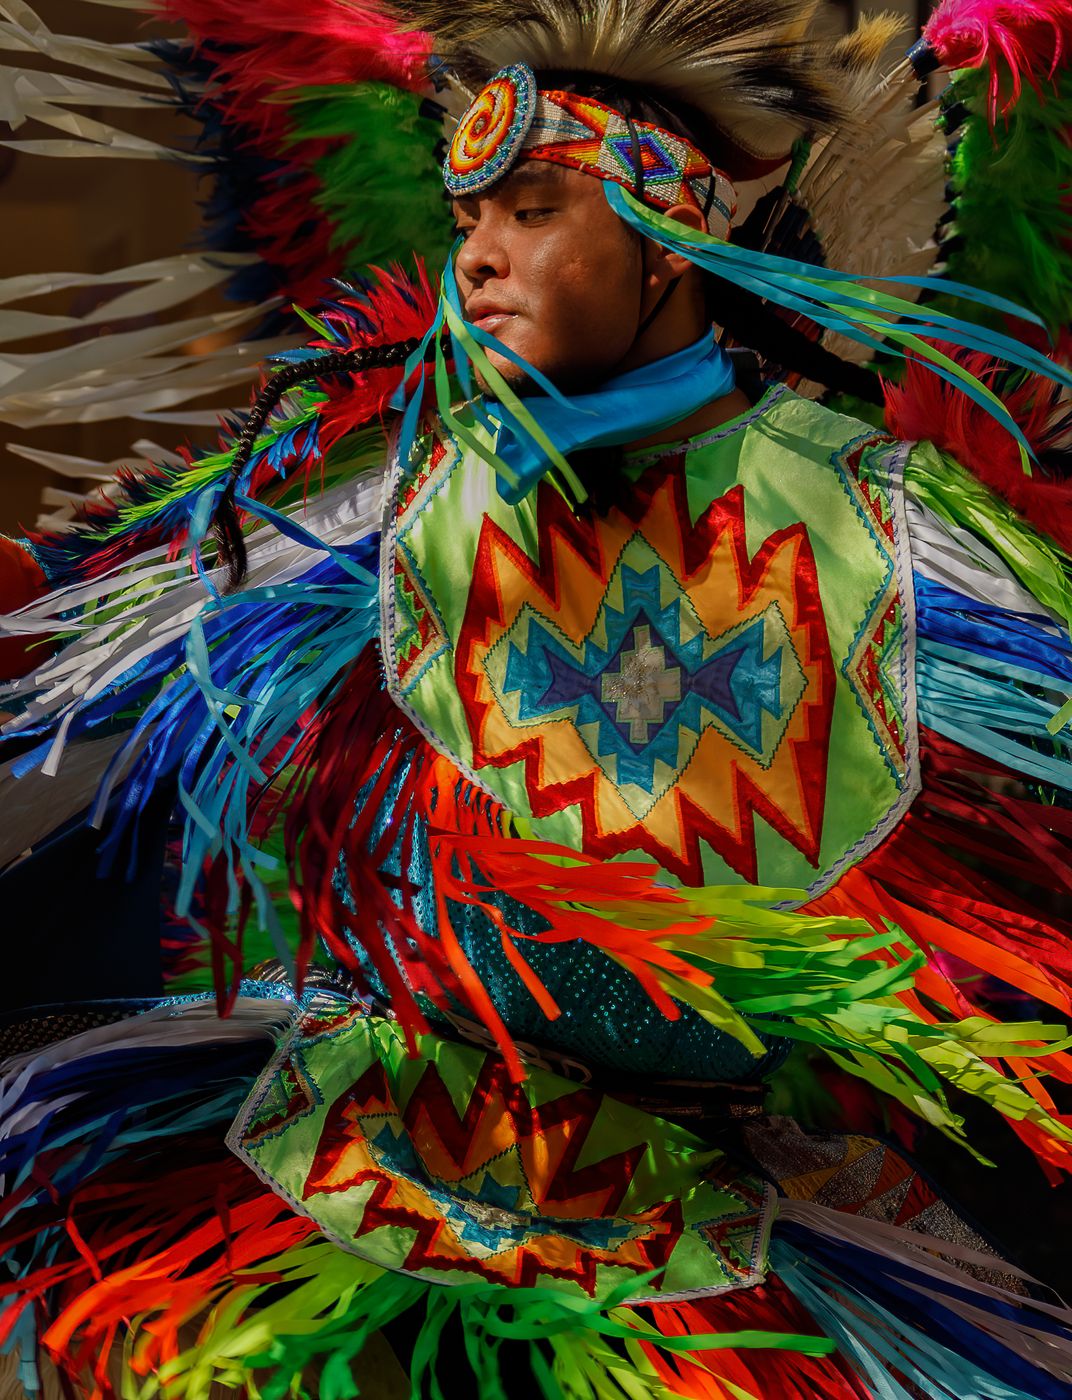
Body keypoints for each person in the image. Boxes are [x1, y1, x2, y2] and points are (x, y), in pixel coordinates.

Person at [4, 0, 1072, 1396]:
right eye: (466, 221)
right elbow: (82, 705)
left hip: (703, 1211)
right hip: (364, 1147)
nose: (481, 258)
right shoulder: (410, 503)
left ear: (670, 239)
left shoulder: (881, 526)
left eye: (534, 210)